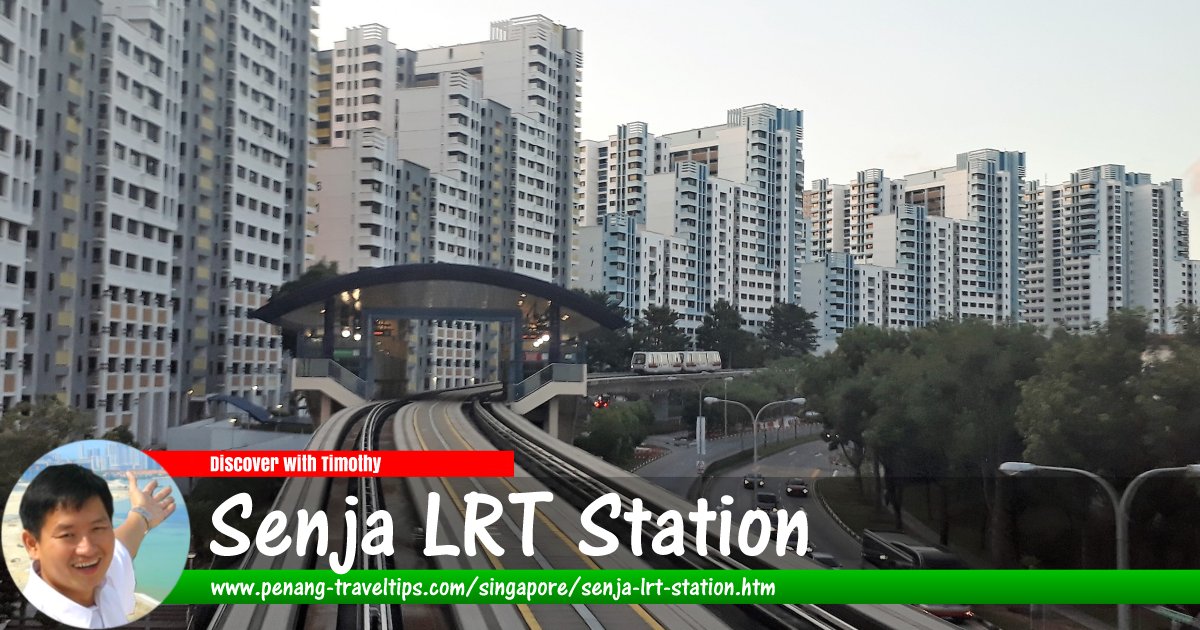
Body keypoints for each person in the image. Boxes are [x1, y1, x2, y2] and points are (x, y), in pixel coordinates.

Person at [18, 464, 176, 629]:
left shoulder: (103, 581)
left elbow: (122, 547)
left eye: (97, 528)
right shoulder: (34, 619)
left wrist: (143, 514)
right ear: (32, 544)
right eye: (67, 535)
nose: (88, 549)